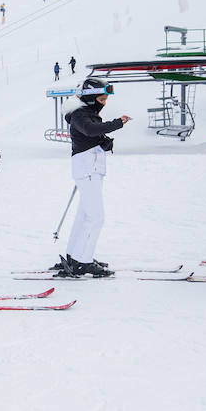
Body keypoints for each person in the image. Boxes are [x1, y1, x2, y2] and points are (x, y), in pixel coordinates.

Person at [52, 78, 129, 277]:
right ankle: (82, 261)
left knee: (86, 215)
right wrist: (117, 123)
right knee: (96, 217)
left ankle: (75, 256)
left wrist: (105, 143)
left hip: (89, 168)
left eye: (106, 99)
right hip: (87, 169)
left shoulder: (87, 113)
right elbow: (90, 130)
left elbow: (92, 136)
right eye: (102, 99)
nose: (104, 103)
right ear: (91, 97)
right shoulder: (80, 114)